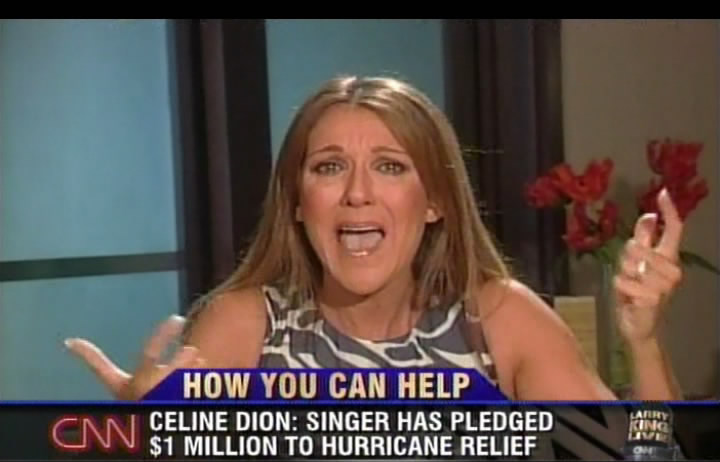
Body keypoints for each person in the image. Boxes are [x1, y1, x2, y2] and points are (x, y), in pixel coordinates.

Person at [65, 75, 685, 402]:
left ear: (435, 200)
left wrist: (645, 343)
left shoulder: (498, 320)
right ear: (298, 203)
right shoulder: (246, 328)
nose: (358, 193)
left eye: (390, 166)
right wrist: (142, 437)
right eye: (329, 167)